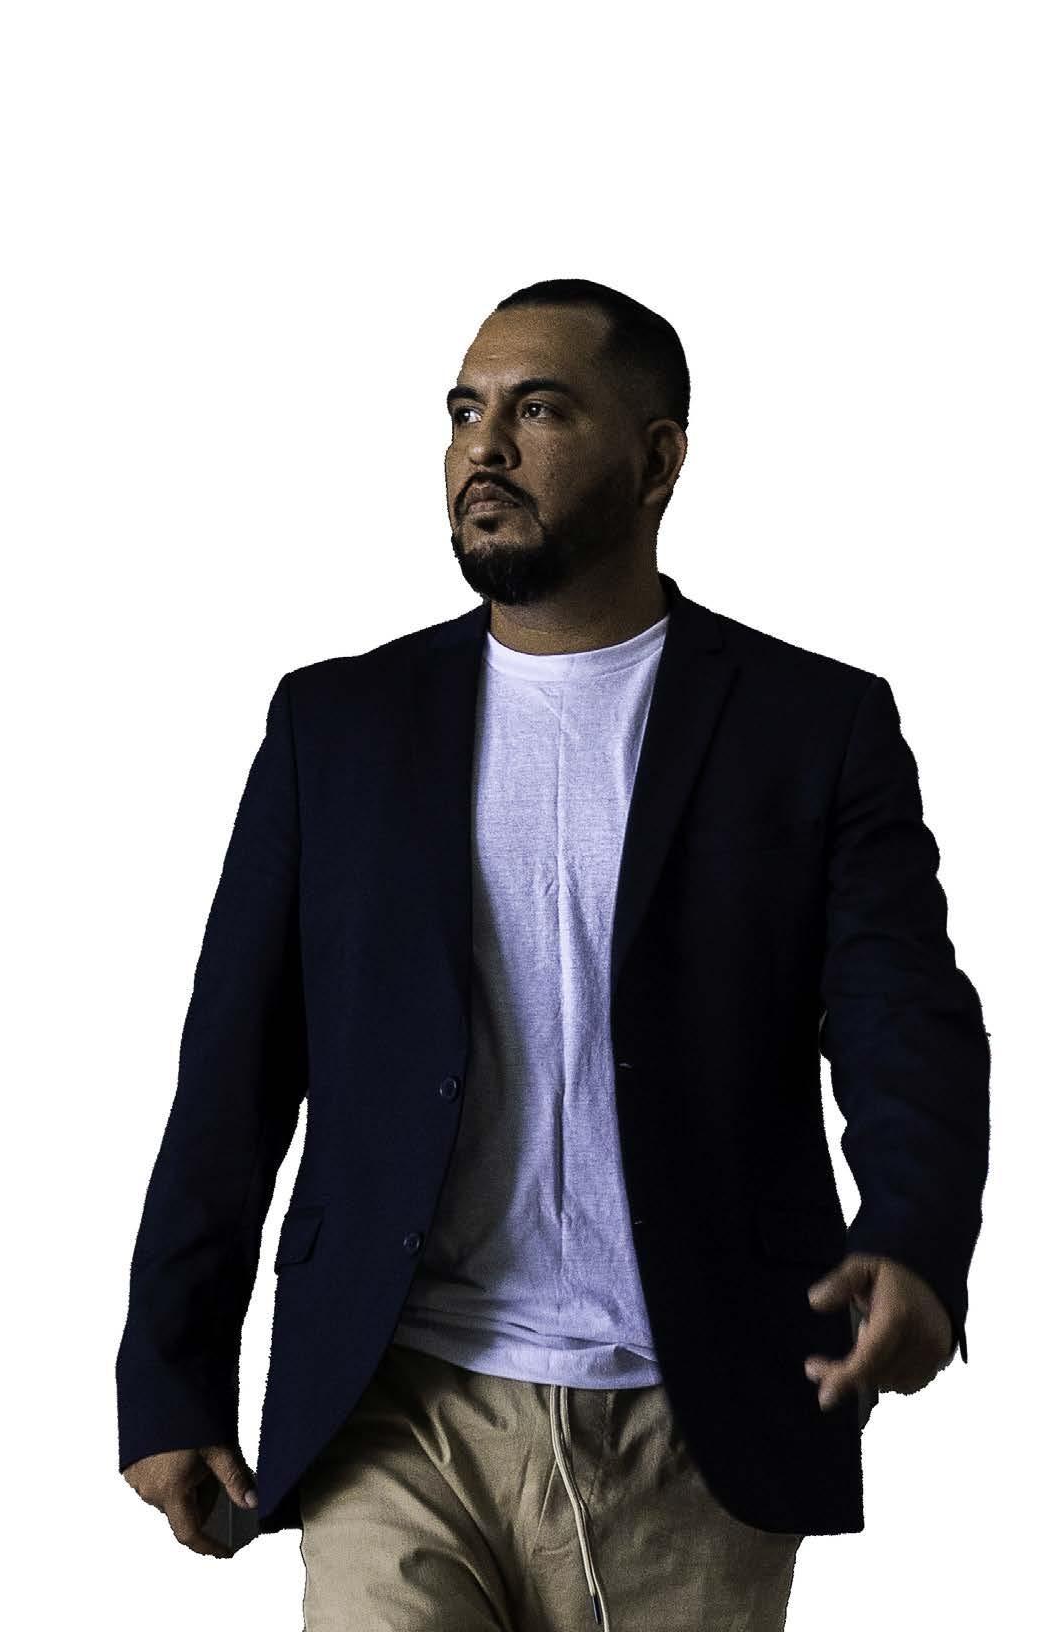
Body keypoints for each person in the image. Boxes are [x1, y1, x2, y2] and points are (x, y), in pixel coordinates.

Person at [116, 278, 990, 1630]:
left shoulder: (811, 727)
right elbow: (236, 1061)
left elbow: (902, 1024)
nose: (484, 447)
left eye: (537, 411)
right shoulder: (337, 727)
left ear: (657, 459)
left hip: (694, 1419)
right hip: (398, 1402)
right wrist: (170, 1375)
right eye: (464, 412)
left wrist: (915, 1241)